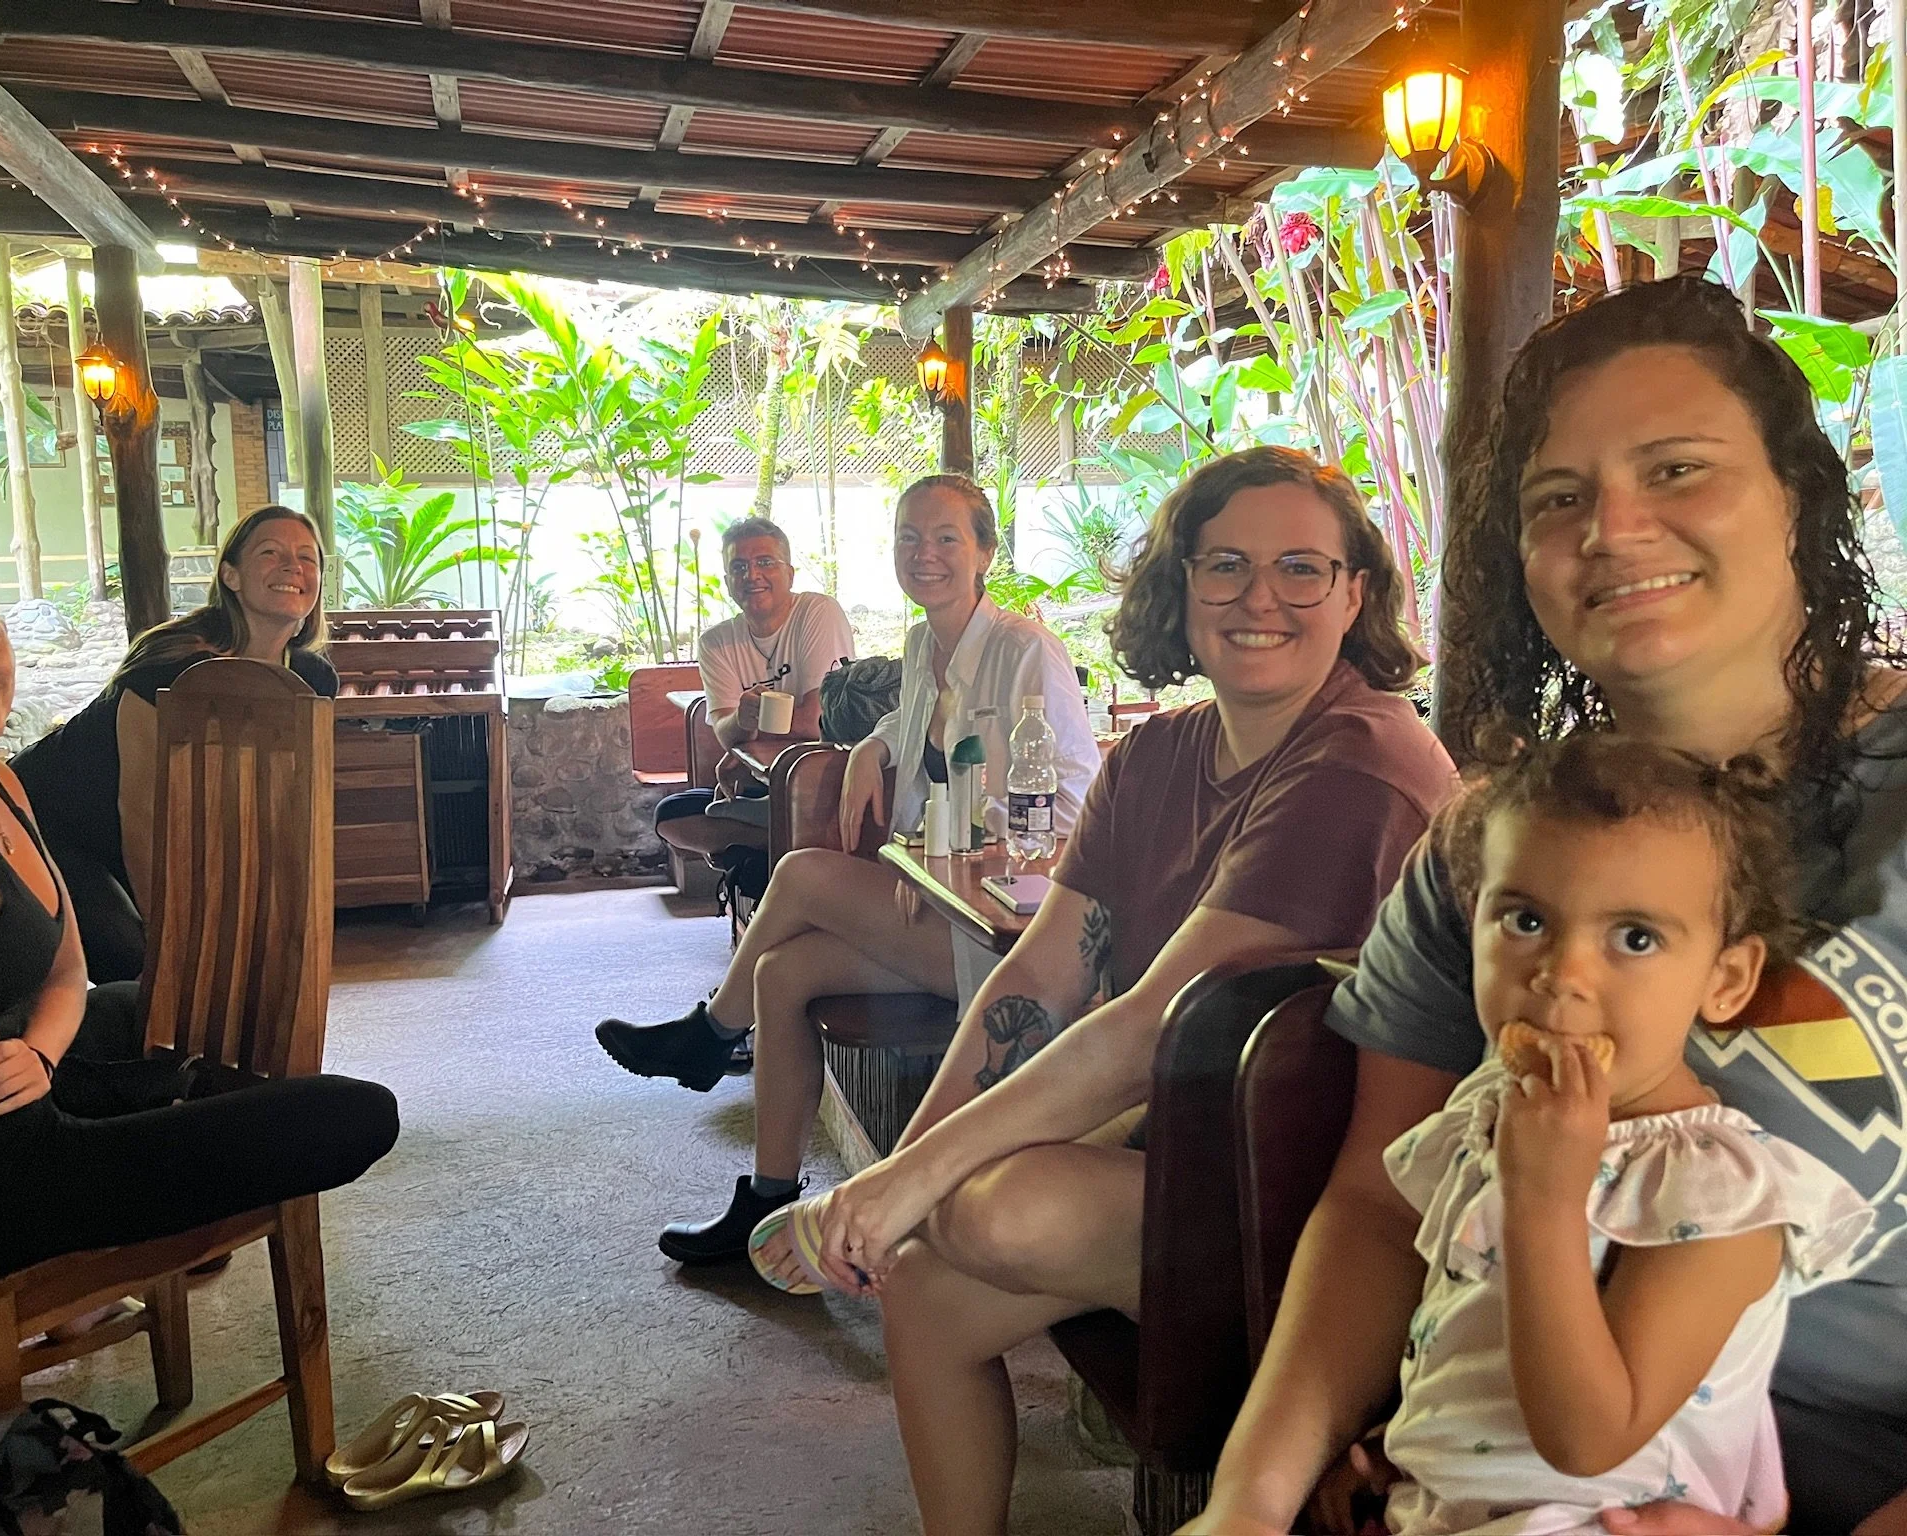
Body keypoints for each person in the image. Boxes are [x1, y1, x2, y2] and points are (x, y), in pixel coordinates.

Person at [1186, 276, 1907, 1536]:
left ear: (1795, 497)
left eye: (1676, 470)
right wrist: (1249, 1498)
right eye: (1557, 499)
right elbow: (1373, 1205)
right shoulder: (1489, 857)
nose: (1612, 530)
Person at [752, 447, 1457, 1536]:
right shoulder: (1154, 756)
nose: (1257, 598)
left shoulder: (1358, 765)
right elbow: (1038, 971)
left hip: (1323, 1217)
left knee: (998, 1207)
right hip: (1182, 1158)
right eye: (1222, 566)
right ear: (1178, 587)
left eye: (1300, 570)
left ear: (1354, 592)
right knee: (930, 1298)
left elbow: (1146, 1027)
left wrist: (907, 1187)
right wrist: (895, 1176)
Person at [0, 541, 396, 1286]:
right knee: (355, 1114)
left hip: (17, 1090)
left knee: (156, 1008)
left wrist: (43, 1054)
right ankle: (139, 1176)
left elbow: (67, 970)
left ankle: (157, 1116)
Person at [594, 473, 1097, 1266]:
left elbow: (1074, 807)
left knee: (798, 874)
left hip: (998, 940)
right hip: (930, 917)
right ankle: (763, 1207)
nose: (922, 554)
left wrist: (948, 854)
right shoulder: (926, 645)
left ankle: (707, 1036)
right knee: (782, 975)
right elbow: (915, 720)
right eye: (907, 537)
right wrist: (872, 744)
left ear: (985, 552)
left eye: (945, 539)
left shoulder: (1025, 652)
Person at [1371, 733, 1867, 1533]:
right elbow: (1469, 1339)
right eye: (1525, 919)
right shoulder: (1493, 1110)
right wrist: (1412, 1451)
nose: (1562, 973)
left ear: (1725, 980)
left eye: (1634, 937)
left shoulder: (1717, 1196)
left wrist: (1544, 1204)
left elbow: (1590, 1438)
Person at [12, 506, 335, 984]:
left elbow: (287, 801)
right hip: (43, 823)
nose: (293, 567)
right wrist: (166, 927)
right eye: (271, 553)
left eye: (307, 558)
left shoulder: (311, 680)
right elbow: (140, 809)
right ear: (231, 575)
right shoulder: (174, 658)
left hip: (139, 838)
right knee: (142, 962)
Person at [654, 517, 855, 864]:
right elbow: (724, 731)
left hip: (822, 781)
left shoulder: (817, 612)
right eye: (739, 567)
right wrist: (741, 719)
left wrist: (747, 734)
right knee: (670, 816)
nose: (752, 575)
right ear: (729, 582)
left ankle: (770, 835)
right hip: (758, 780)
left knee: (737, 839)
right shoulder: (716, 643)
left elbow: (814, 724)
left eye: (765, 562)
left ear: (789, 574)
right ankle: (779, 835)